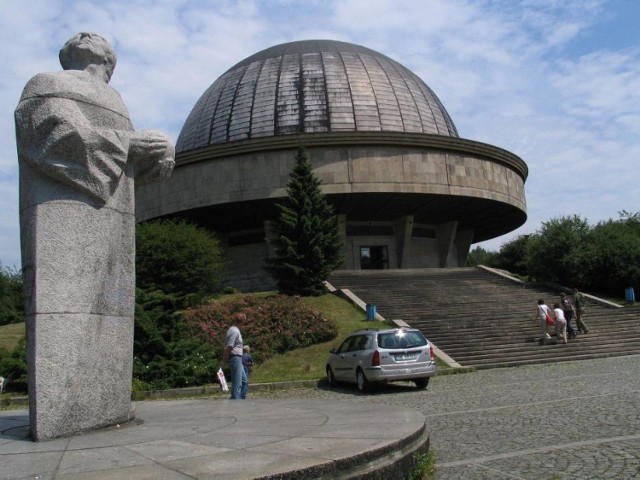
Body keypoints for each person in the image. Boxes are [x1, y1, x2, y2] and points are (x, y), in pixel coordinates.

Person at [15, 32, 174, 439]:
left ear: (111, 59)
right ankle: (59, 412)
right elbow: (47, 133)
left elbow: (131, 167)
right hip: (62, 213)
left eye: (97, 36)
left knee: (109, 306)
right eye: (79, 35)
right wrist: (127, 146)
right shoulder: (46, 83)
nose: (86, 35)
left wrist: (157, 159)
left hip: (112, 222)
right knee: (63, 305)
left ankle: (102, 404)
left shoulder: (118, 102)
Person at [223, 313, 248, 400]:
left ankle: (241, 397)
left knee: (244, 381)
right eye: (244, 322)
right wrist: (225, 359)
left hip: (238, 358)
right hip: (235, 357)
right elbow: (229, 346)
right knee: (237, 383)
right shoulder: (234, 331)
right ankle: (236, 400)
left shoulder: (235, 330)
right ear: (241, 322)